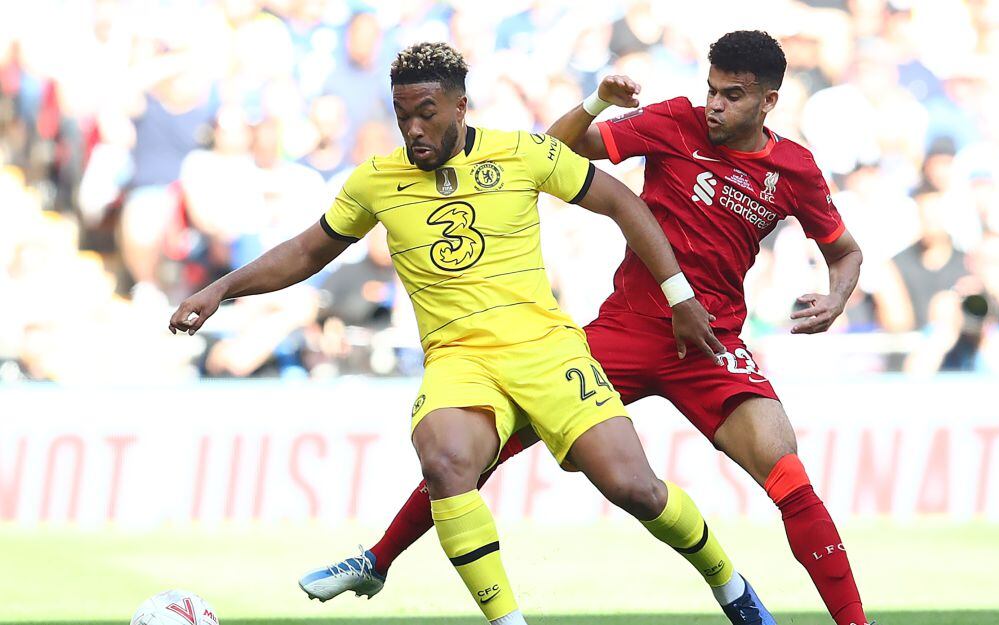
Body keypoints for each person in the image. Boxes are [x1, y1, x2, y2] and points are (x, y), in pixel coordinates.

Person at [169, 42, 773, 625]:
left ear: (461, 106)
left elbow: (624, 204)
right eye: (403, 115)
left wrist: (679, 296)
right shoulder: (375, 181)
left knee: (635, 489)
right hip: (459, 361)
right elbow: (306, 251)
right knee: (446, 461)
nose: (414, 129)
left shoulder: (524, 154)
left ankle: (731, 586)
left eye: (426, 113)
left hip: (547, 350)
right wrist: (220, 289)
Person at [339, 32, 874, 625]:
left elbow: (845, 251)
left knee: (788, 474)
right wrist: (595, 103)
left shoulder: (794, 169)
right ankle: (379, 558)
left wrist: (836, 298)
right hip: (625, 329)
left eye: (733, 96)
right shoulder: (675, 122)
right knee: (477, 447)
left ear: (768, 102)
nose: (715, 105)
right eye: (712, 90)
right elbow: (553, 152)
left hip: (709, 341)